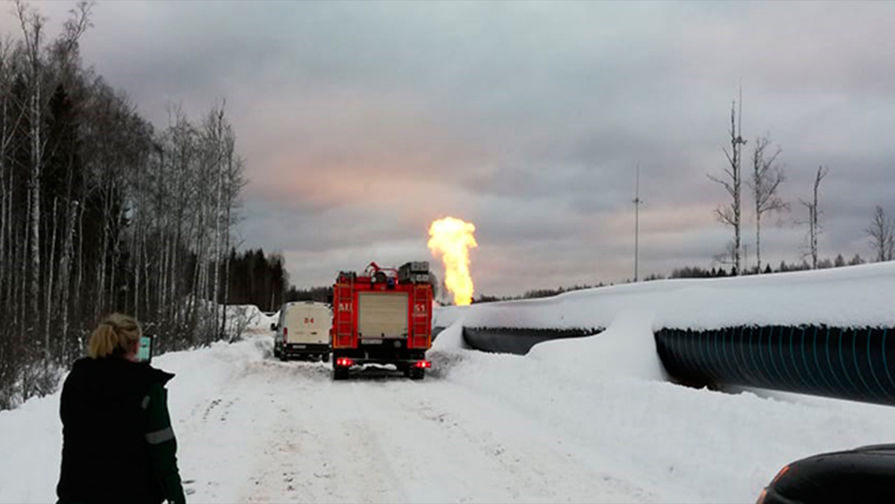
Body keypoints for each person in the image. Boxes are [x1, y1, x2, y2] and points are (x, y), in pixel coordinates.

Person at [56, 313, 186, 504]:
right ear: (135, 345)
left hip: (75, 495)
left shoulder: (76, 380)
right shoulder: (146, 386)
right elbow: (163, 452)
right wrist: (177, 498)